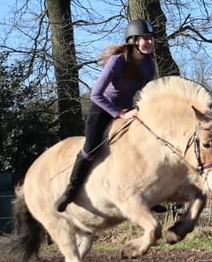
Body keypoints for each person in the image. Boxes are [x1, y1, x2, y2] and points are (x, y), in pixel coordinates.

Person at [55, 19, 157, 212]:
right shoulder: (117, 61)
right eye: (145, 39)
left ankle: (149, 192)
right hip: (103, 109)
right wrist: (118, 113)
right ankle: (71, 190)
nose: (149, 42)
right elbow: (96, 94)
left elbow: (146, 92)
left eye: (151, 39)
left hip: (128, 110)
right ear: (133, 40)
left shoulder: (149, 65)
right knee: (91, 148)